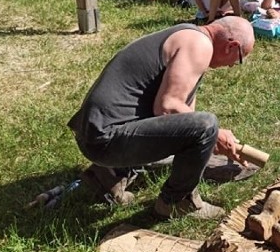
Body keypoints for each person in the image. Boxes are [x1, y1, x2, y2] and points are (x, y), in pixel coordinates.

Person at [68, 17, 255, 219]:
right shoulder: (199, 45)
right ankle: (177, 202)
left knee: (201, 129)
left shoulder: (187, 34)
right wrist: (214, 134)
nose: (232, 67)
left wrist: (206, 144)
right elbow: (168, 107)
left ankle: (107, 176)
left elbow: (181, 119)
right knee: (207, 125)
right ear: (231, 46)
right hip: (105, 140)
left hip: (91, 133)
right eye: (239, 59)